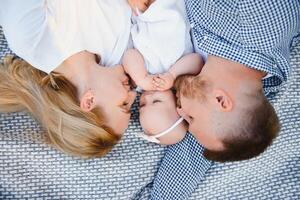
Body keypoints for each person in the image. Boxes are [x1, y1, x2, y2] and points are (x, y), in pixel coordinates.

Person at [0, 0, 137, 158]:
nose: (133, 94)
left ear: (89, 101)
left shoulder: (31, 40)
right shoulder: (118, 54)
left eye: (124, 105)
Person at [175, 0, 300, 162]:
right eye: (190, 118)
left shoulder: (245, 96)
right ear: (220, 101)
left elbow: (191, 158)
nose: (179, 112)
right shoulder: (255, 16)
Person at [123, 0, 203, 144]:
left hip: (142, 13)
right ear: (178, 104)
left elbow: (129, 55)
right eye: (156, 101)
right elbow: (197, 60)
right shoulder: (180, 80)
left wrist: (141, 78)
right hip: (167, 8)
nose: (147, 97)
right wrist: (172, 76)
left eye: (142, 105)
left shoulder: (141, 81)